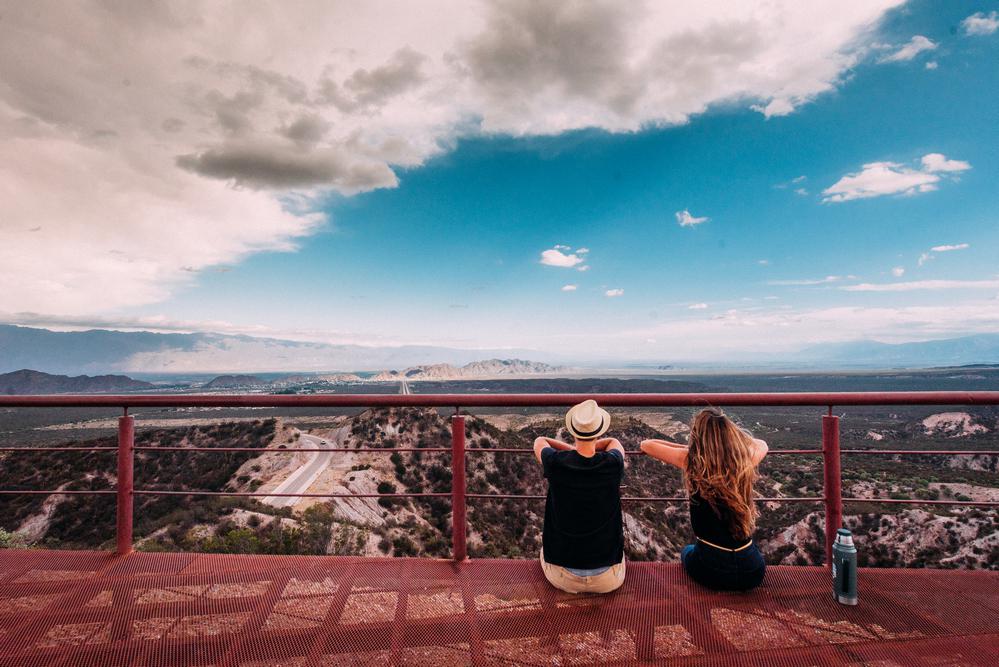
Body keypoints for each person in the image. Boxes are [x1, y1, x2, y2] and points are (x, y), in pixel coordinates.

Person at [640, 407, 769, 591]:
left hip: (711, 569)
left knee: (687, 551)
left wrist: (693, 450)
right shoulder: (743, 462)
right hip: (753, 571)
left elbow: (646, 444)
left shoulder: (692, 462)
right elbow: (761, 443)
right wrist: (732, 443)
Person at [533, 399, 626, 594]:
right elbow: (613, 443)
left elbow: (540, 441)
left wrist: (573, 451)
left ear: (572, 431)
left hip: (562, 576)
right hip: (608, 579)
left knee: (542, 551)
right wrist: (587, 448)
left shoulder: (555, 463)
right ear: (599, 430)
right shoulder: (613, 464)